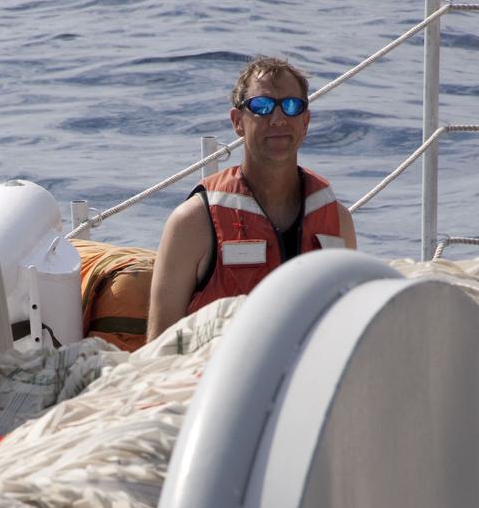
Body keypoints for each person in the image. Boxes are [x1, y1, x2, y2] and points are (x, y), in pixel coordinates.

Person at [146, 57, 357, 340]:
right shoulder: (193, 223)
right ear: (237, 122)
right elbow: (159, 348)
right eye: (262, 106)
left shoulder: (338, 221)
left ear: (305, 122)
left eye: (292, 106)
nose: (279, 119)